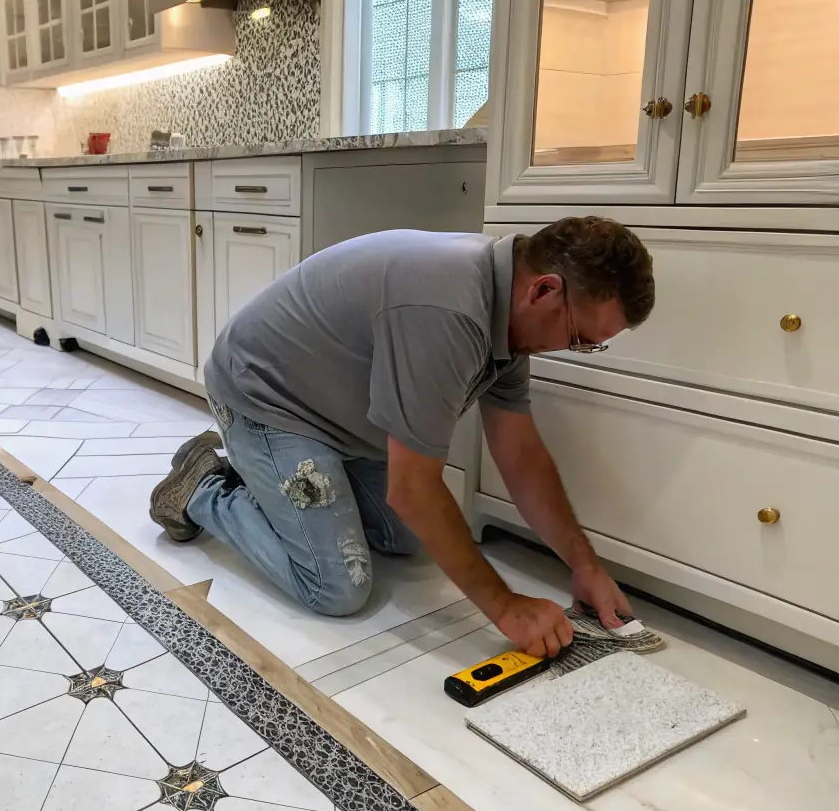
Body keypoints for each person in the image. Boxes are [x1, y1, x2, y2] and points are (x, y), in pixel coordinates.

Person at [149, 216, 655, 659]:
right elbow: (413, 488)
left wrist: (585, 566)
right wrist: (507, 608)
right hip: (266, 399)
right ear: (543, 290)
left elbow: (521, 454)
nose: (570, 349)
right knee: (337, 587)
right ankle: (205, 486)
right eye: (579, 339)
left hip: (341, 417)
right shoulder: (450, 308)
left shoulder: (508, 320)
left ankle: (278, 480)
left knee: (408, 537)